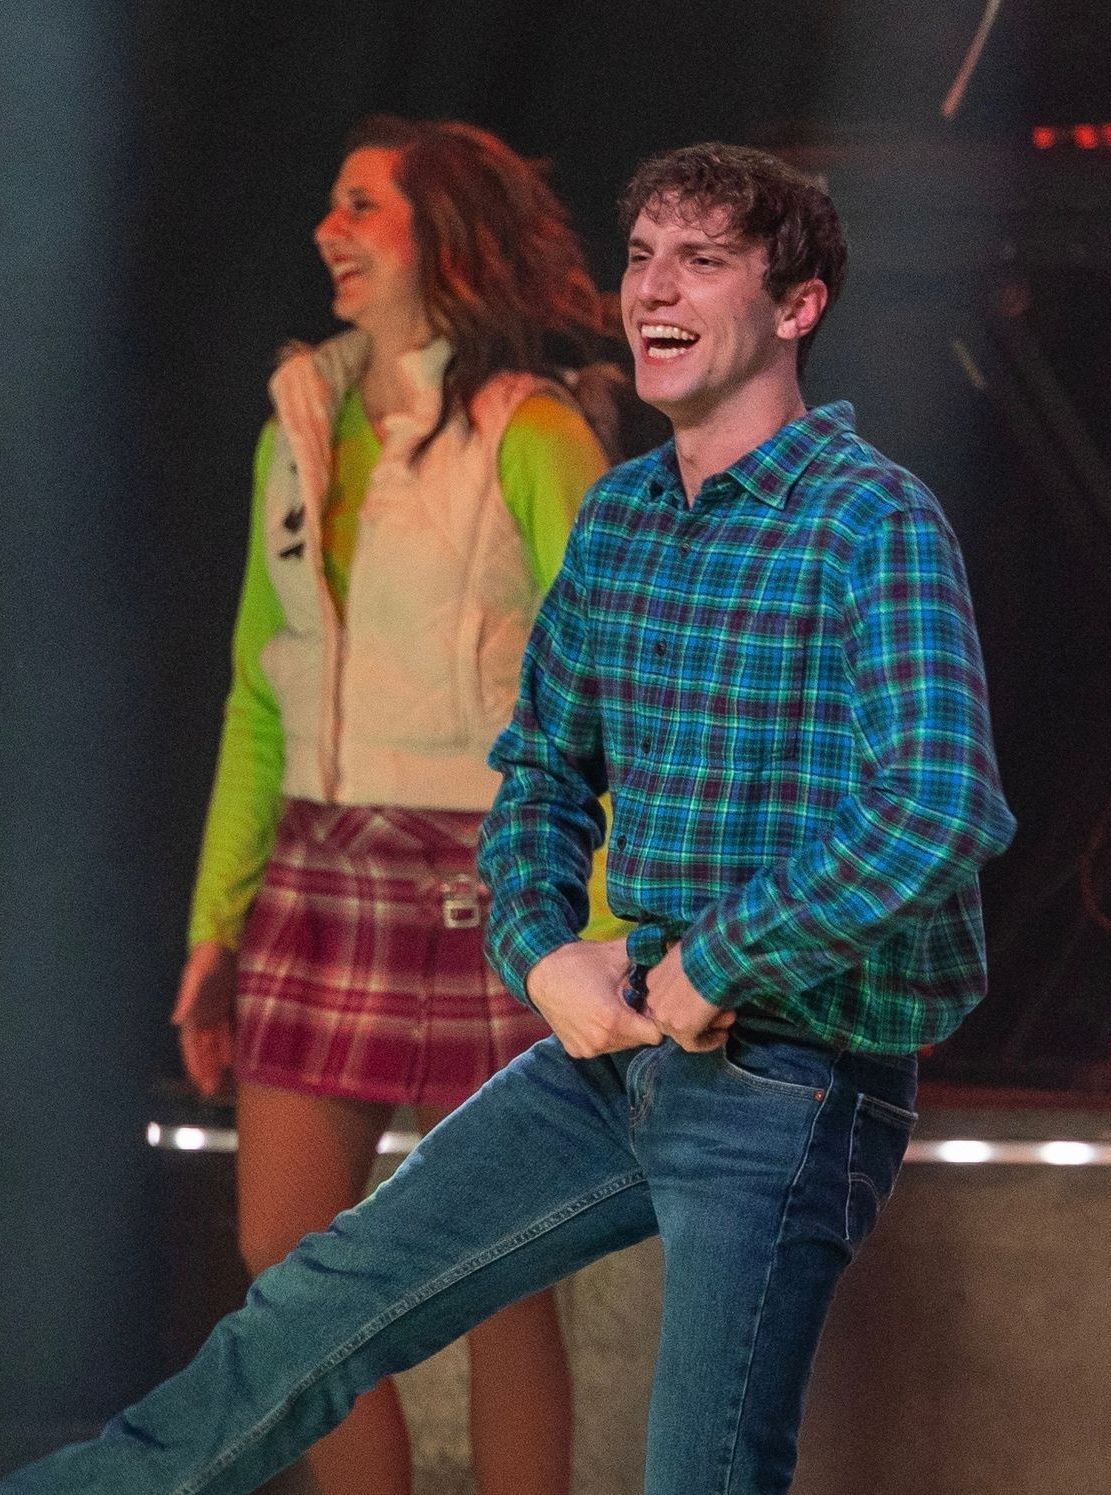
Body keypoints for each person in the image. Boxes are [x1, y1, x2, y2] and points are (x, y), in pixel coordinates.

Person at [2, 142, 1015, 1495]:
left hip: (795, 1076)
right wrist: (545, 951)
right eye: (643, 255)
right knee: (312, 1313)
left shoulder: (871, 520)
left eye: (701, 261)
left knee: (704, 1468)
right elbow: (537, 775)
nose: (654, 286)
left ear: (797, 306)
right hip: (610, 1059)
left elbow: (940, 805)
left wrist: (719, 958)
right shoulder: (622, 520)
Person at [169, 115, 623, 1495]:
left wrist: (606, 927)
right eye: (331, 206)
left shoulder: (533, 432)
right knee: (286, 1259)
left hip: (499, 873)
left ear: (446, 236)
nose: (328, 230)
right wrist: (215, 922)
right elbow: (262, 692)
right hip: (321, 868)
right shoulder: (296, 426)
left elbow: (619, 691)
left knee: (499, 1275)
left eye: (360, 206)